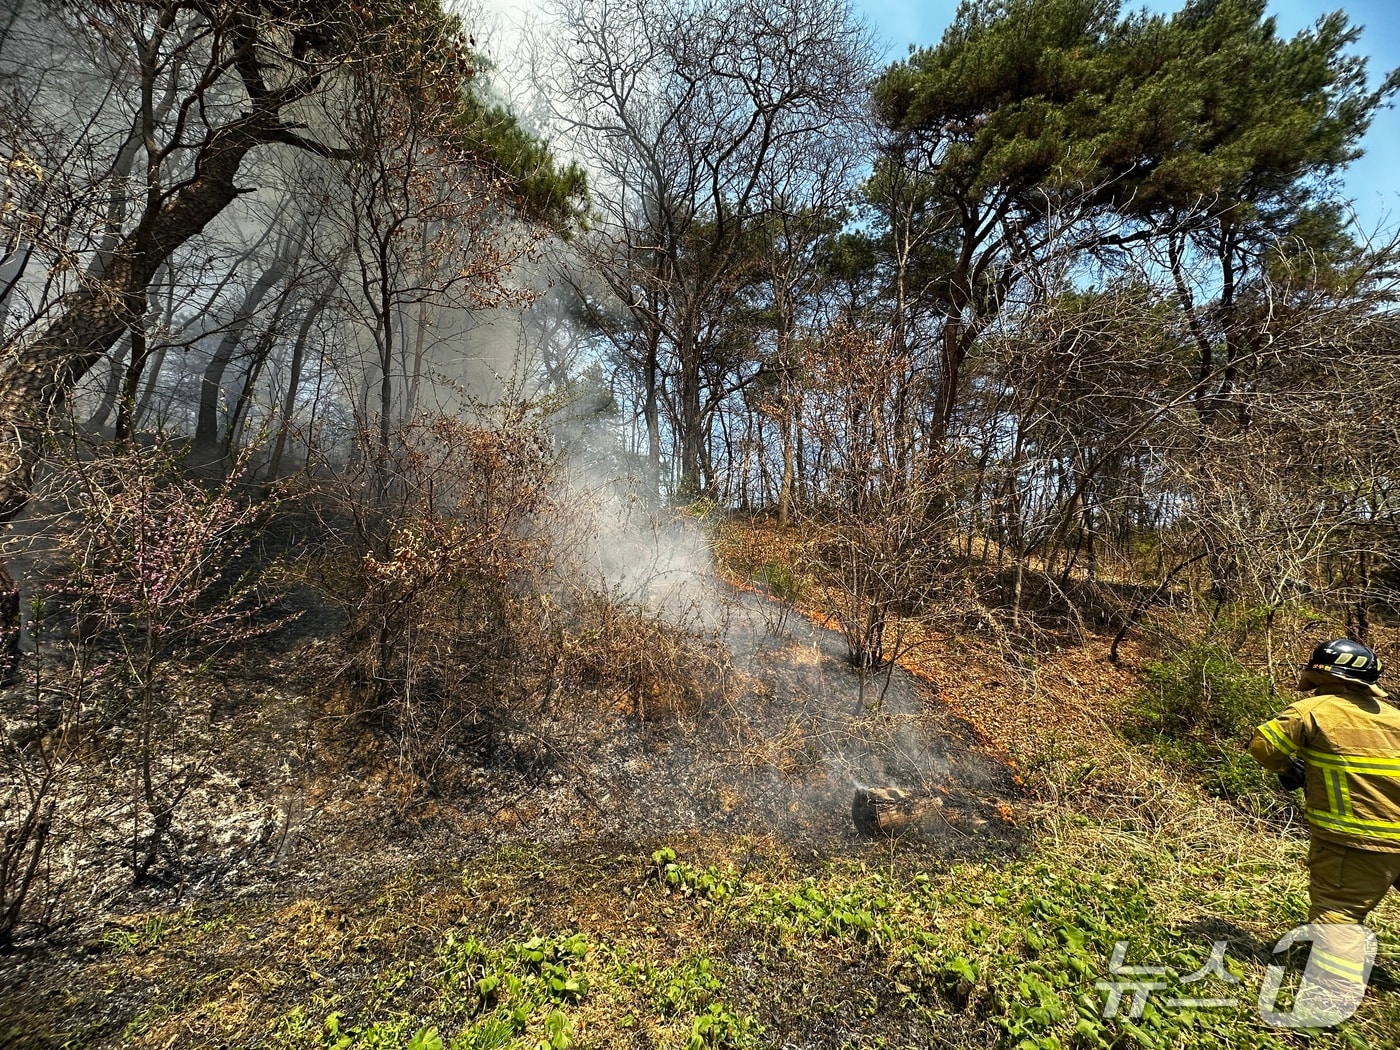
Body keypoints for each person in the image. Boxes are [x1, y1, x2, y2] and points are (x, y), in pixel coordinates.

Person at [1250, 638, 1400, 1008]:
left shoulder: (1312, 710)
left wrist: (1290, 768)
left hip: (1356, 841)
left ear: (1321, 673)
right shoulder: (1395, 717)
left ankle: (1336, 994)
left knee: (1339, 913)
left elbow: (1264, 746)